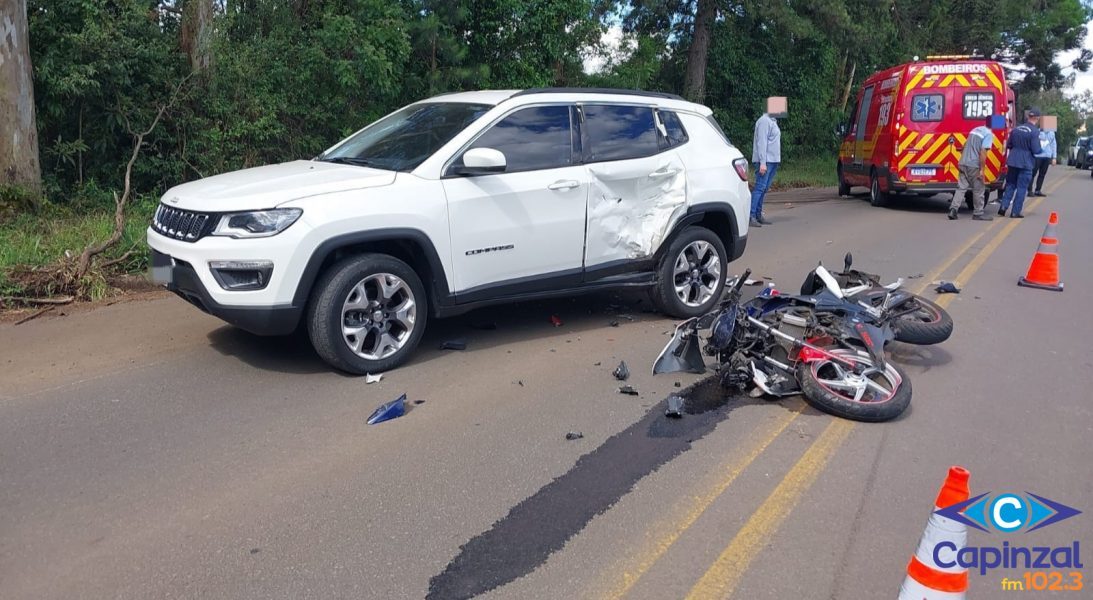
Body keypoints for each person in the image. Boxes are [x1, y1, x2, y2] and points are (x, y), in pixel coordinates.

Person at [998, 107, 1042, 219]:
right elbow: (1036, 150)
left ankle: (1003, 208)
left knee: (1010, 185)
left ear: (1028, 117)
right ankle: (1015, 212)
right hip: (1025, 163)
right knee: (1022, 188)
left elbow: (1009, 145)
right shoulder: (1034, 132)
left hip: (1013, 161)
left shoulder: (1016, 129)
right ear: (1037, 118)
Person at [947, 116, 995, 221]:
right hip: (973, 165)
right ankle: (978, 213)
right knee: (979, 189)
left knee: (961, 188)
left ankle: (953, 210)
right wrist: (982, 169)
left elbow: (965, 145)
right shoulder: (988, 134)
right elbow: (983, 152)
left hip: (963, 162)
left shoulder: (975, 130)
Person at [750, 111, 781, 227]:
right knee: (760, 187)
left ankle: (758, 214)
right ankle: (751, 215)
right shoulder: (764, 121)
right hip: (765, 161)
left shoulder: (773, 121)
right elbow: (761, 143)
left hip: (772, 160)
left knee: (764, 188)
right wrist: (763, 162)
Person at [1027, 127, 1056, 196]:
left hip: (1047, 156)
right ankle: (1030, 190)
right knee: (1033, 173)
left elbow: (1054, 145)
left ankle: (1038, 190)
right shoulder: (1037, 132)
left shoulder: (1052, 133)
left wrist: (1054, 157)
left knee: (1042, 174)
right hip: (1038, 156)